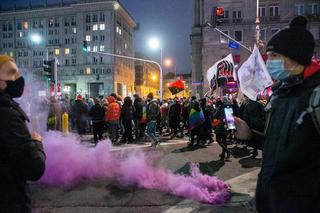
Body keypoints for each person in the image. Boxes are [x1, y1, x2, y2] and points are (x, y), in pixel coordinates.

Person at [251, 16, 320, 212]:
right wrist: (250, 136)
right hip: (272, 203)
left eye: (274, 56)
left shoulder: (316, 97)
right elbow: (278, 147)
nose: (269, 61)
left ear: (294, 58)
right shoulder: (279, 96)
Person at [0, 55, 46, 212]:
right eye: (12, 72)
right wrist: (37, 143)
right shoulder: (7, 115)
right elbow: (34, 168)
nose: (18, 79)